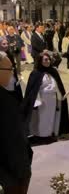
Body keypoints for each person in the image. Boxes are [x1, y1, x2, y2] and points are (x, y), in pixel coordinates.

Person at [0, 52, 33, 194]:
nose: (12, 73)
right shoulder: (4, 102)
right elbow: (12, 139)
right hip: (11, 176)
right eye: (9, 70)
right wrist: (23, 172)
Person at [23, 52, 69, 140]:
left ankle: (49, 134)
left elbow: (58, 85)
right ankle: (41, 136)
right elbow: (32, 90)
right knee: (42, 119)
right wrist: (36, 101)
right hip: (42, 100)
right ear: (40, 61)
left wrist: (61, 96)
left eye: (49, 59)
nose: (48, 61)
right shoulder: (35, 73)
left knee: (51, 118)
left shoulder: (53, 71)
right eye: (45, 60)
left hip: (52, 100)